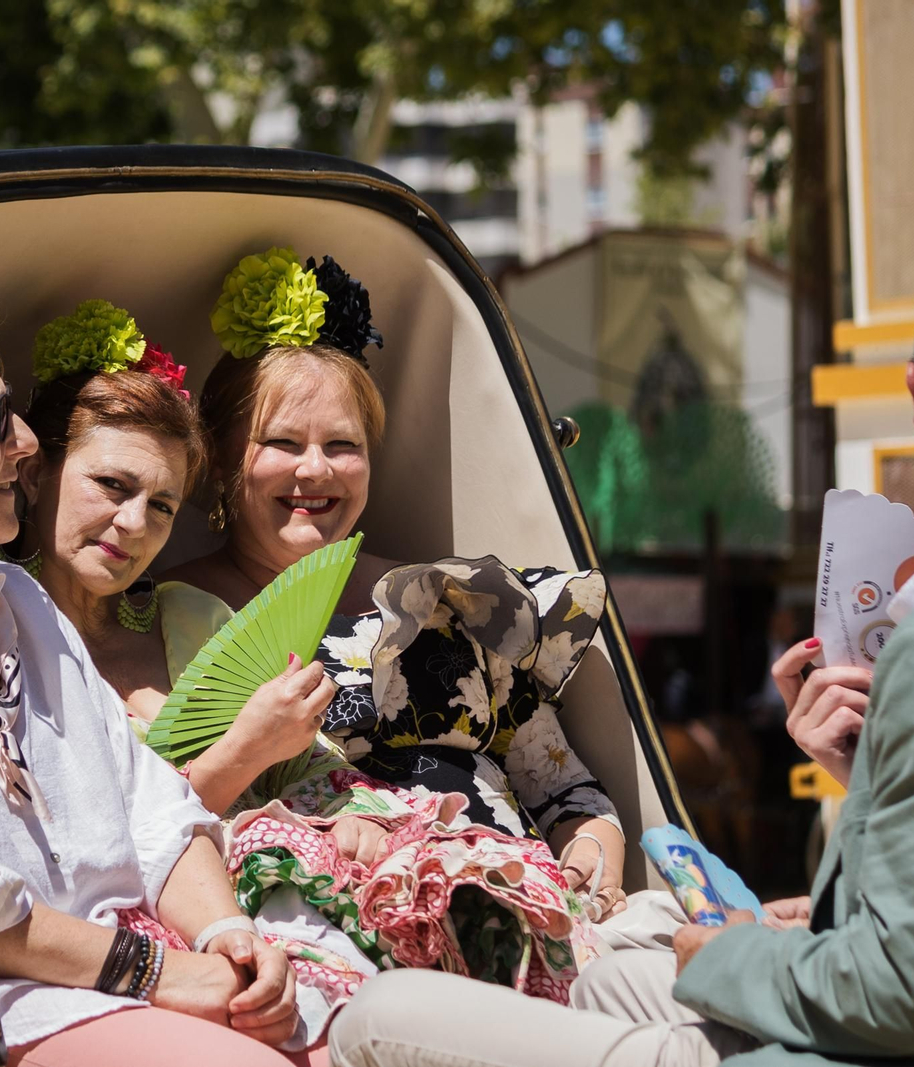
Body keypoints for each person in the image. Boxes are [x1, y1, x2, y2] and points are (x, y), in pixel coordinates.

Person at [329, 229, 914, 1067]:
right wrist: (865, 793)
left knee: (378, 1015)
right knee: (607, 980)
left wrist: (728, 955)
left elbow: (899, 999)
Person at [0, 286, 321, 1067]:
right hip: (5, 1005)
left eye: (163, 505)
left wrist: (228, 936)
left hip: (145, 962)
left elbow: (153, 804)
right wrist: (160, 972)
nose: (23, 443)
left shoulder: (15, 599)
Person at [158, 247, 636, 1000]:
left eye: (342, 446)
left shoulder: (446, 597)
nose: (315, 470)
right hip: (337, 927)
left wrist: (590, 870)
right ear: (220, 458)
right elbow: (151, 820)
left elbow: (566, 792)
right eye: (282, 443)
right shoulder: (166, 615)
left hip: (522, 904)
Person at [10, 298, 379, 1039]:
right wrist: (243, 751)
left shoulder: (190, 616)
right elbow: (91, 856)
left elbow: (321, 780)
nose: (133, 524)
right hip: (133, 954)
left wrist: (360, 818)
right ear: (38, 471)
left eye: (162, 506)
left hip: (284, 908)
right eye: (112, 486)